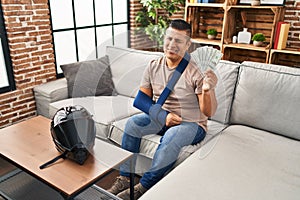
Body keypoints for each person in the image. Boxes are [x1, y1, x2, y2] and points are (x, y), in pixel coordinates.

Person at [107, 19, 218, 200]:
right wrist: (163, 116)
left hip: (191, 124)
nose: (172, 45)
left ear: (188, 45)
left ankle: (143, 187)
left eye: (179, 41)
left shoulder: (196, 71)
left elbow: (208, 112)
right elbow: (141, 99)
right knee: (132, 124)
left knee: (172, 136)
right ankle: (125, 178)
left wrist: (208, 90)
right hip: (162, 117)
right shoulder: (153, 65)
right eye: (169, 39)